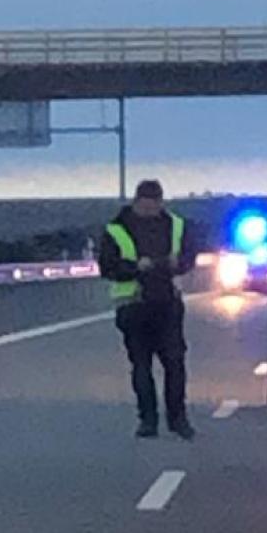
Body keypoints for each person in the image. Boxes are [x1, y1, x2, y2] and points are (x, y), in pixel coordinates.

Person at [98, 179, 198, 439]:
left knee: (174, 363)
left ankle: (178, 419)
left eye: (155, 204)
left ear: (161, 202)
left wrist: (176, 265)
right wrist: (134, 268)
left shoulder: (176, 225)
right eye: (146, 205)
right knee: (141, 365)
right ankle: (148, 420)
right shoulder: (117, 228)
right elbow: (107, 267)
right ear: (137, 202)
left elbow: (189, 257)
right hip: (134, 305)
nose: (151, 209)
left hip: (168, 302)